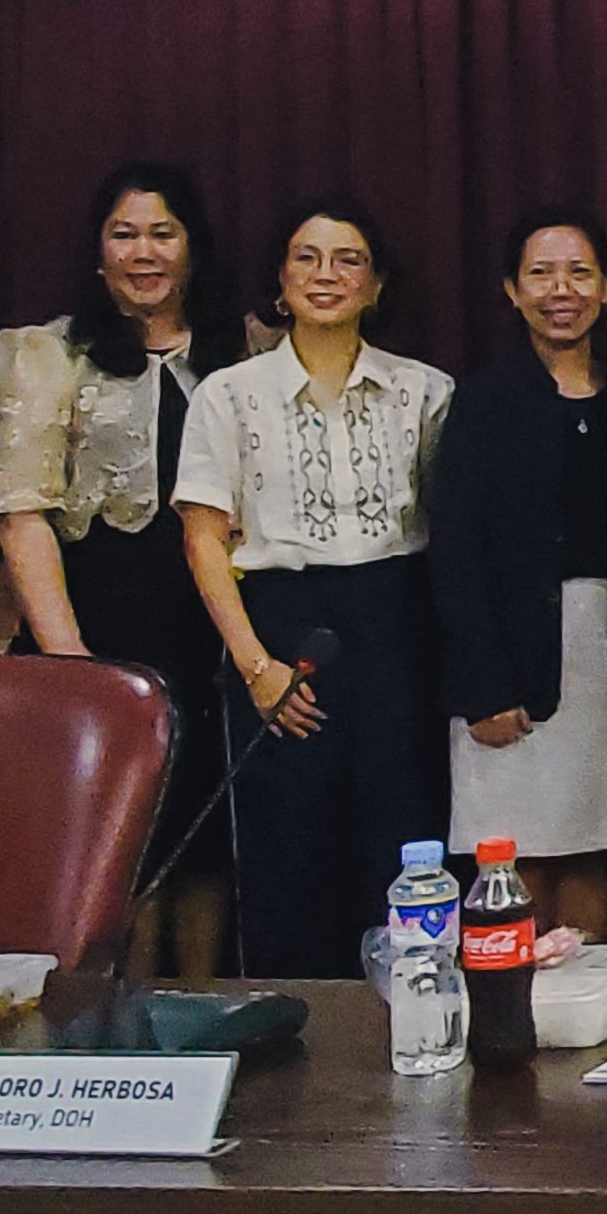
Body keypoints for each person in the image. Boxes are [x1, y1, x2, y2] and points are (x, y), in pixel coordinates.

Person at [0, 162, 252, 969]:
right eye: (124, 234)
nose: (144, 253)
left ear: (193, 250)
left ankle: (202, 1015)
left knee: (206, 837)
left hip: (212, 625)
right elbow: (18, 512)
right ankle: (116, 1025)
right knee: (119, 837)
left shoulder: (243, 352)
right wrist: (69, 662)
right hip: (98, 620)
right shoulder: (47, 353)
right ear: (98, 254)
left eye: (162, 234)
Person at [176, 203, 452, 974]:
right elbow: (203, 537)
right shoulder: (227, 394)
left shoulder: (426, 391)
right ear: (280, 277)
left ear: (377, 283)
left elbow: (451, 532)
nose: (325, 276)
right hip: (277, 626)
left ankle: (410, 1029)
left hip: (396, 627)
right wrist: (255, 665)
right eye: (307, 258)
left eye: (347, 260)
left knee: (402, 842)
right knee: (286, 850)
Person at [429, 209, 607, 941]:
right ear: (511, 290)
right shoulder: (483, 401)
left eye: (580, 272)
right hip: (509, 653)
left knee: (595, 843)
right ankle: (512, 1024)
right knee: (514, 852)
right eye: (542, 274)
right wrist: (481, 684)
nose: (563, 290)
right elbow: (455, 550)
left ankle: (585, 1028)